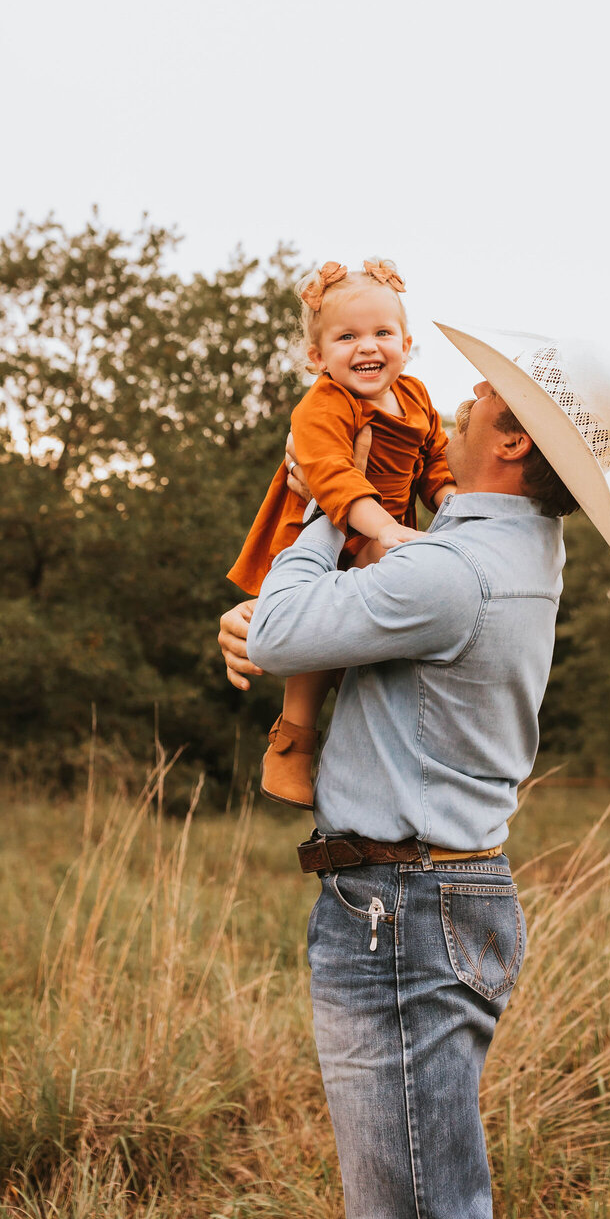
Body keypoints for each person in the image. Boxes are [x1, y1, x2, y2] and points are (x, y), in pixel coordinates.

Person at [219, 325, 610, 1219]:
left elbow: (279, 633)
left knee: (414, 1210)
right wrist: (294, 616)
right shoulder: (507, 553)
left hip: (403, 907)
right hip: (433, 895)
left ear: (511, 441)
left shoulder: (453, 573)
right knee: (421, 1195)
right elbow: (313, 626)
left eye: (484, 397)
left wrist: (319, 501)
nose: (462, 399)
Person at [226, 258, 455, 807]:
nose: (368, 347)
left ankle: (368, 755)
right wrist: (385, 528)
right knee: (313, 645)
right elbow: (328, 472)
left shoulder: (418, 397)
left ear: (407, 342)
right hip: (326, 528)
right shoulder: (325, 403)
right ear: (317, 356)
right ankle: (292, 745)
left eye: (382, 333)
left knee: (370, 637)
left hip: (383, 536)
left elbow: (435, 462)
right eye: (347, 336)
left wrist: (451, 503)